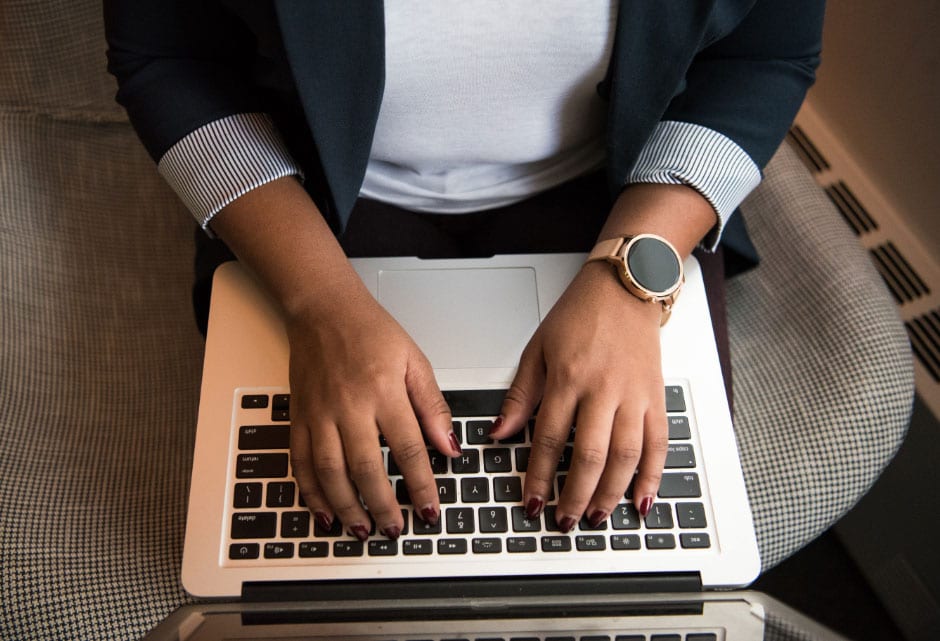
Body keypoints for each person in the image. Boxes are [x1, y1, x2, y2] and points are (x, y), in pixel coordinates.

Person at [104, 1, 825, 543]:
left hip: (621, 180)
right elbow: (168, 57)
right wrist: (320, 301)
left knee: (628, 548)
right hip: (314, 188)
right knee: (323, 542)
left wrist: (630, 280)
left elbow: (762, 58)